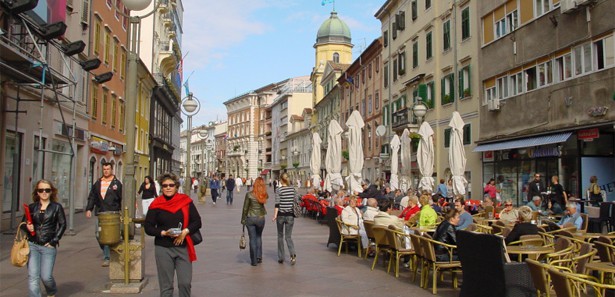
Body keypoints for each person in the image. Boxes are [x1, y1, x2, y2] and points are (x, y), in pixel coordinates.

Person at [144, 173, 202, 297]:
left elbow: (197, 221)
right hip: (163, 248)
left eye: (171, 185)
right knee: (166, 287)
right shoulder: (156, 204)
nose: (168, 188)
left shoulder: (185, 201)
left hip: (183, 247)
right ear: (161, 187)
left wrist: (185, 231)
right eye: (165, 185)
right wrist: (163, 233)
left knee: (185, 283)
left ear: (176, 186)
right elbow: (148, 227)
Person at [22, 179, 66, 297]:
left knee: (46, 277)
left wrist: (54, 241)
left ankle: (51, 291)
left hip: (48, 246)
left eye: (47, 190)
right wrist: (28, 227)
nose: (44, 192)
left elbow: (62, 224)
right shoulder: (31, 208)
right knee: (33, 276)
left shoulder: (57, 207)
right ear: (37, 192)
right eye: (41, 190)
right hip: (32, 245)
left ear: (51, 192)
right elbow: (23, 225)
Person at [85, 162, 122, 267]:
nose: (106, 171)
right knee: (98, 234)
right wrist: (89, 209)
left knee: (107, 235)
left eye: (108, 169)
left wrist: (123, 210)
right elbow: (92, 196)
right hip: (101, 212)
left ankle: (107, 257)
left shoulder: (116, 184)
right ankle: (108, 249)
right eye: (104, 169)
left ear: (111, 170)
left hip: (112, 213)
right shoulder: (98, 183)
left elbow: (122, 197)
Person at [241, 177, 268, 266]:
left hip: (250, 217)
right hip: (260, 218)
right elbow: (266, 196)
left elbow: (245, 208)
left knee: (252, 238)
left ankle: (253, 260)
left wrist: (243, 220)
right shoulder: (264, 194)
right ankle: (259, 256)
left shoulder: (249, 194)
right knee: (259, 237)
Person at [272, 172, 297, 265]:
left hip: (281, 215)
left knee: (280, 236)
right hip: (290, 215)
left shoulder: (279, 190)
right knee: (288, 236)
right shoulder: (293, 189)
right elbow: (297, 200)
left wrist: (274, 215)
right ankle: (292, 254)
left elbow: (277, 204)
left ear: (281, 180)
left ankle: (281, 257)